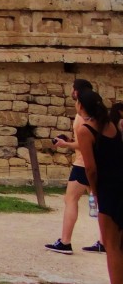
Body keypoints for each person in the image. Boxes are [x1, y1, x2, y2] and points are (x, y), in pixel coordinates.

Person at [46, 79, 103, 254]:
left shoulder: (82, 117)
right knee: (101, 204)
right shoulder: (100, 116)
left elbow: (85, 143)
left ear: (77, 93)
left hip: (83, 164)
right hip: (97, 163)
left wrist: (65, 145)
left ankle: (65, 241)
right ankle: (105, 241)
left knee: (70, 200)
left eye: (73, 89)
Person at [75, 88, 123, 283]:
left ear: (81, 106)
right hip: (120, 181)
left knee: (111, 246)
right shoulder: (111, 125)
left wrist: (94, 190)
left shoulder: (85, 130)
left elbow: (91, 168)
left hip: (108, 188)